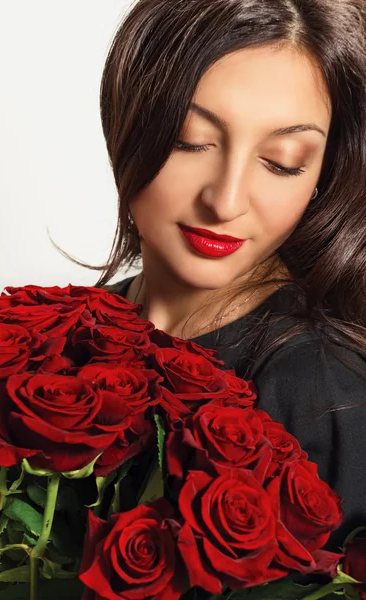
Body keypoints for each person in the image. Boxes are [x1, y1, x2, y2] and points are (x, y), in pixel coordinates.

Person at [53, 0, 366, 586]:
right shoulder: (52, 341)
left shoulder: (327, 389)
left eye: (282, 161)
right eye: (190, 140)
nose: (225, 201)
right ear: (126, 119)